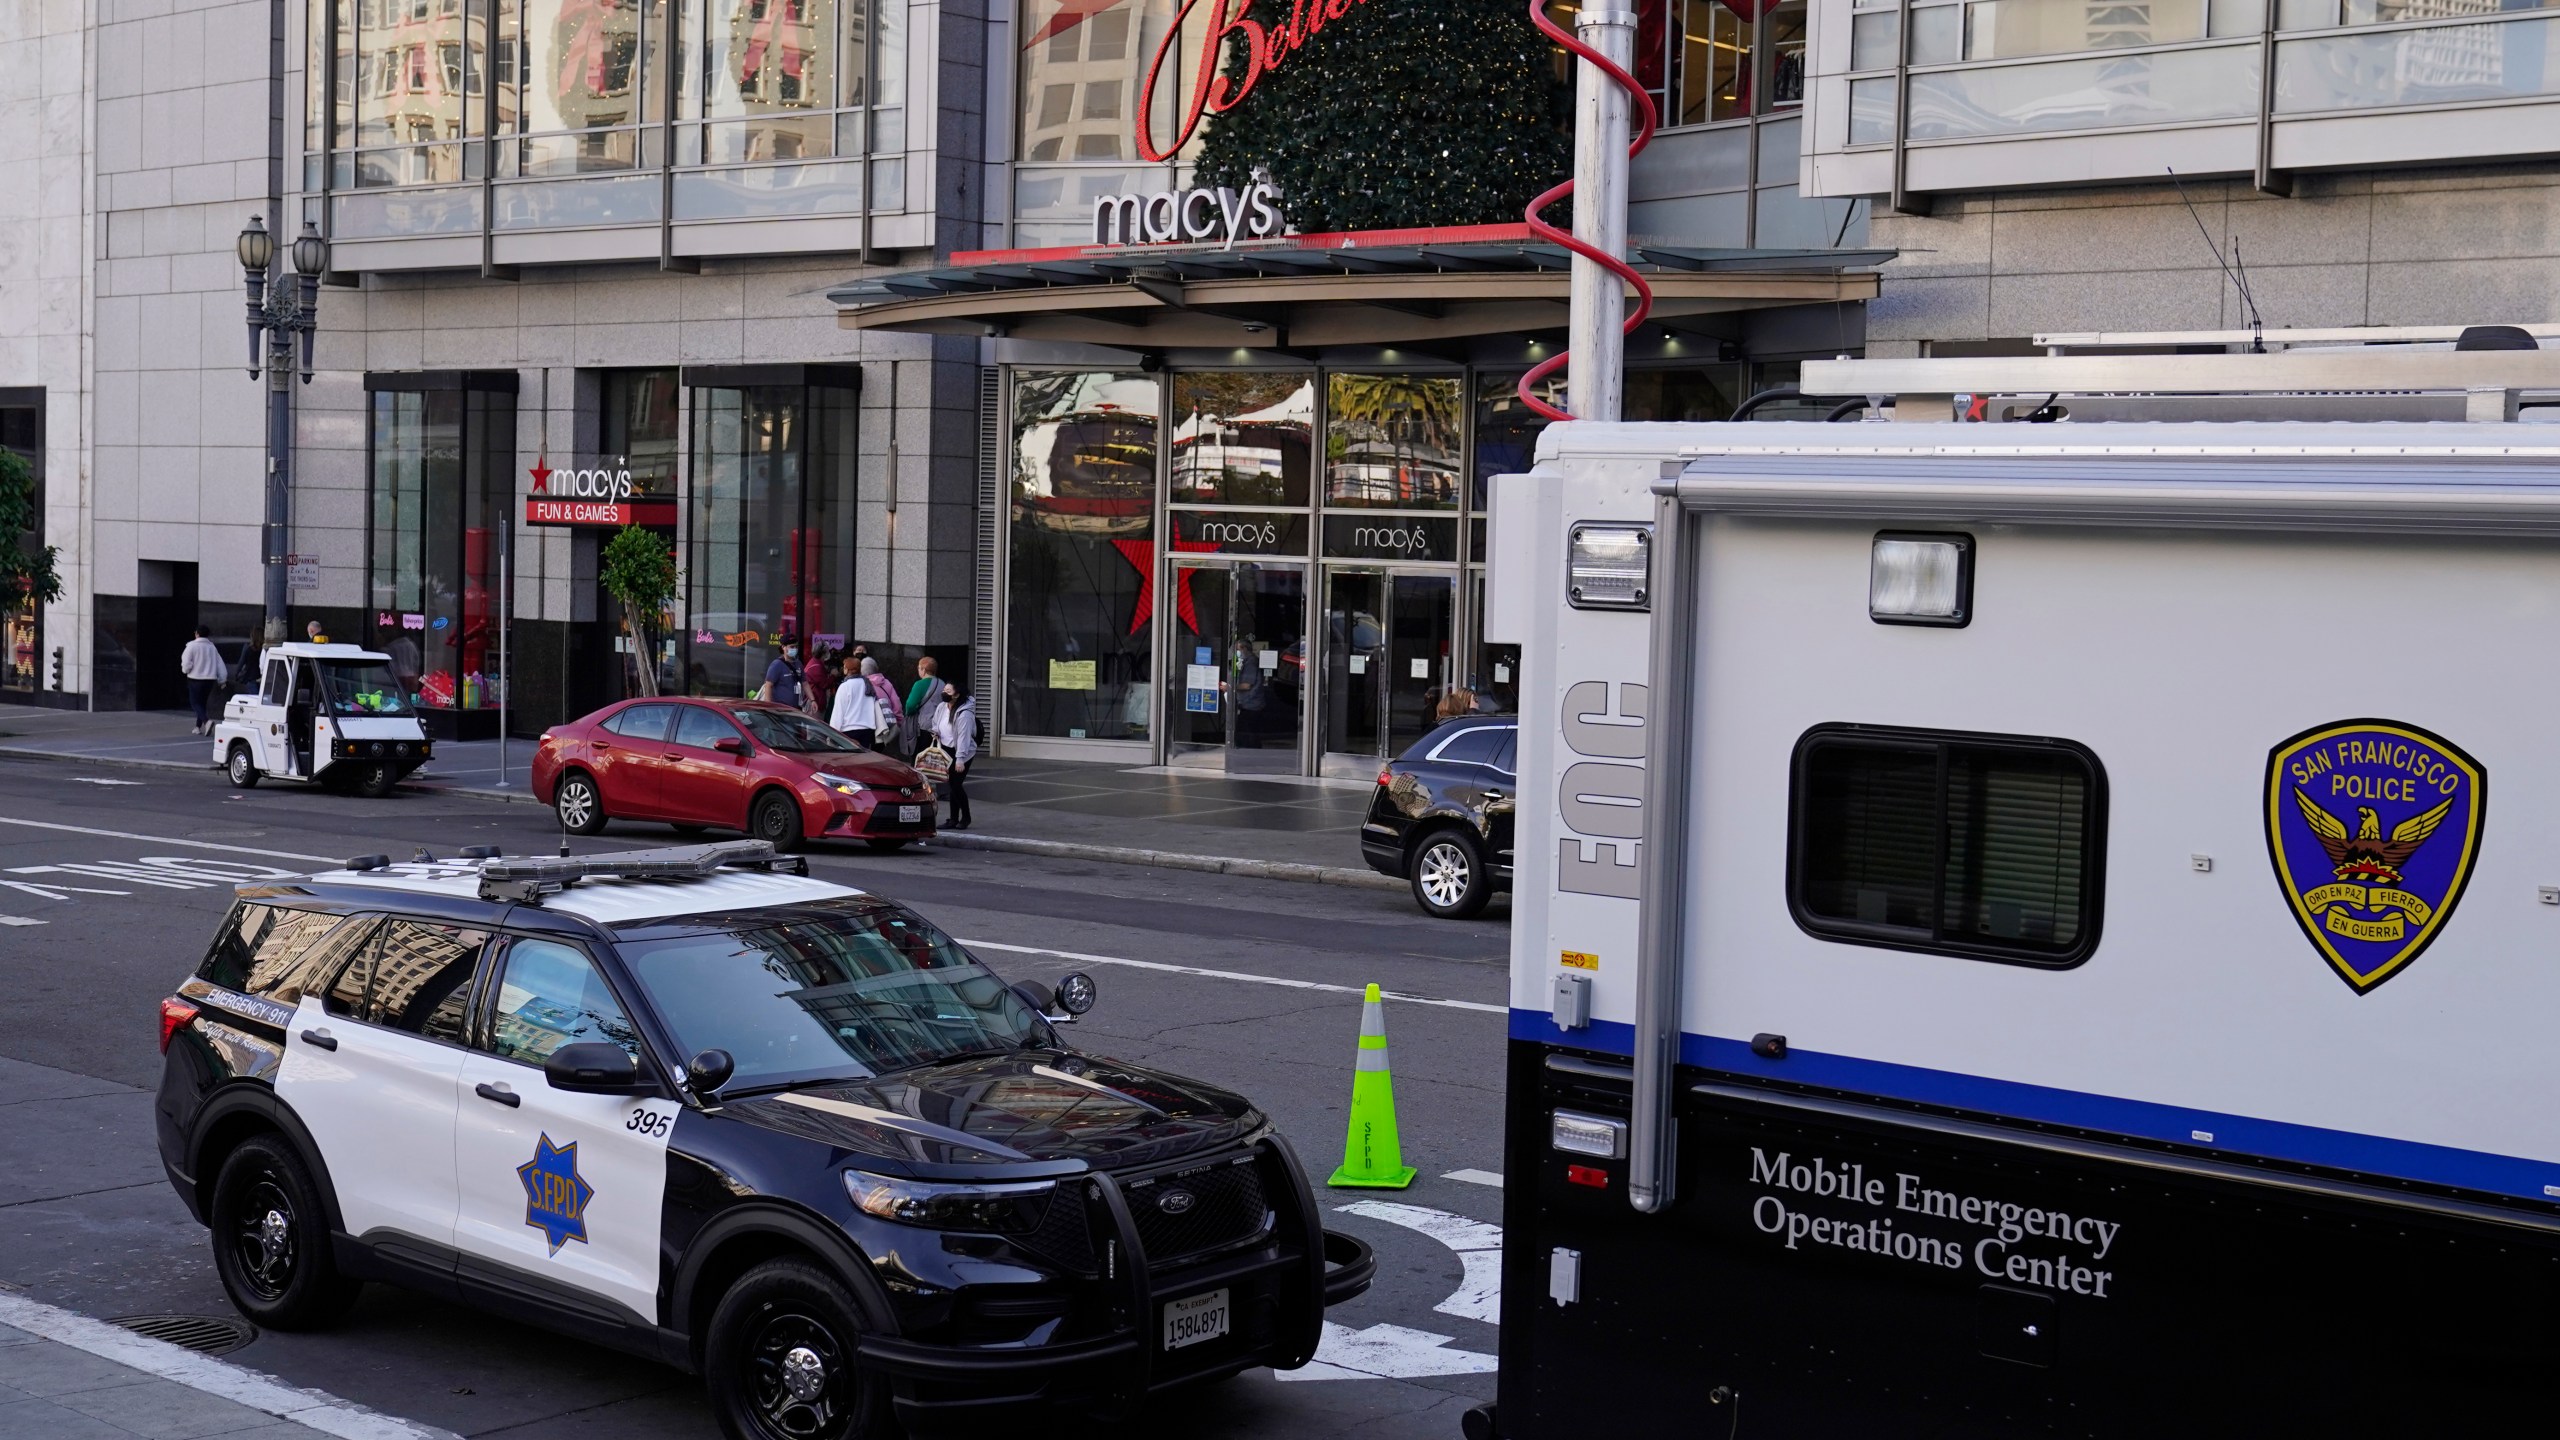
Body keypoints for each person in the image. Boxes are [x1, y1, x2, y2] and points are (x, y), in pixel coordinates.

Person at [940, 682, 977, 829]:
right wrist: (935, 731)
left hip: (963, 751)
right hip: (947, 749)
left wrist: (960, 759)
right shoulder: (942, 707)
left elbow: (964, 737)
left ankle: (965, 817)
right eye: (944, 690)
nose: (944, 692)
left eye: (948, 690)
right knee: (952, 785)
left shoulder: (965, 714)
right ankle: (953, 819)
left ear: (957, 694)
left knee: (956, 785)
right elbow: (936, 722)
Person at [179, 627, 226, 736]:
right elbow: (220, 664)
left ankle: (206, 721)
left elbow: (186, 663)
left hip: (195, 679)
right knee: (202, 703)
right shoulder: (212, 647)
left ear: (197, 634)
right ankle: (197, 727)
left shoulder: (191, 646)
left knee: (195, 702)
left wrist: (186, 670)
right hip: (210, 680)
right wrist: (222, 679)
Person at [862, 657, 908, 755]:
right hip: (885, 727)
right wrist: (898, 721)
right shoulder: (886, 682)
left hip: (867, 726)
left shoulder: (863, 684)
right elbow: (896, 703)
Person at [830, 653, 878, 736]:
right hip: (867, 729)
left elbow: (838, 711)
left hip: (849, 730)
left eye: (844, 667)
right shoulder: (867, 684)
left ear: (848, 669)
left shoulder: (845, 686)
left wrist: (833, 733)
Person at [758, 641, 803, 708]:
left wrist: (812, 700)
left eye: (796, 647)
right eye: (792, 647)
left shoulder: (798, 663)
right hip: (780, 708)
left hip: (794, 708)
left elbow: (805, 682)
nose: (795, 649)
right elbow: (768, 685)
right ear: (783, 647)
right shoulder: (777, 664)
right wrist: (769, 706)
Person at [802, 644, 835, 718]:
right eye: (827, 652)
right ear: (823, 653)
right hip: (814, 702)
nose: (828, 653)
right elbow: (824, 684)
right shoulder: (816, 667)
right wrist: (833, 675)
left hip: (815, 700)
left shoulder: (815, 663)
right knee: (814, 728)